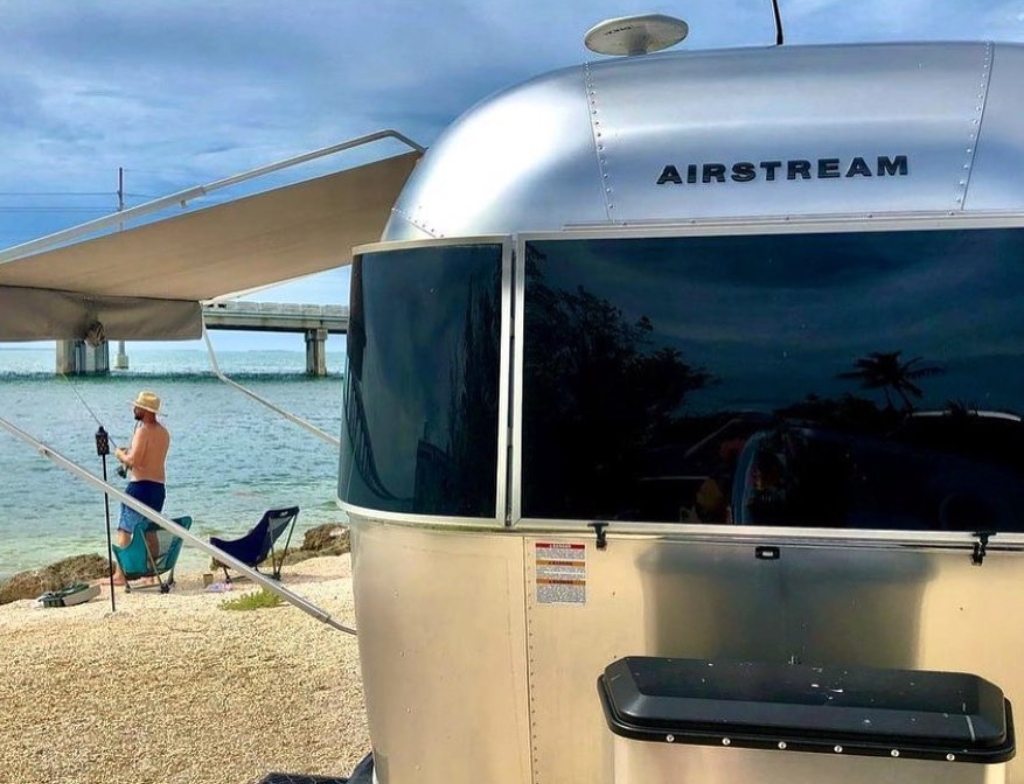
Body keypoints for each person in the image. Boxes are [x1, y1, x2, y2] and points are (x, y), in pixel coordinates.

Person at [112, 391, 171, 585]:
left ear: (144, 410)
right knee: (149, 530)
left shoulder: (142, 430)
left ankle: (120, 575)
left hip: (139, 488)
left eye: (136, 406)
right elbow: (149, 458)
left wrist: (119, 454)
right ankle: (152, 573)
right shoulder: (163, 433)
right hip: (158, 489)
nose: (133, 408)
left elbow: (134, 461)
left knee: (124, 530)